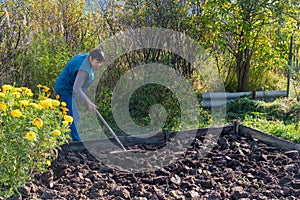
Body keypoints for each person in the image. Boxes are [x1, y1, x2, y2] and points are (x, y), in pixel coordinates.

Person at [55, 48, 105, 141]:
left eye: (100, 62)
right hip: (64, 89)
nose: (98, 65)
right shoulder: (83, 71)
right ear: (91, 58)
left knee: (68, 114)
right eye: (97, 61)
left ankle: (62, 137)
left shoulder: (86, 57)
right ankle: (76, 141)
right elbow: (76, 89)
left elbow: (76, 56)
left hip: (68, 88)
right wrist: (88, 102)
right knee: (73, 115)